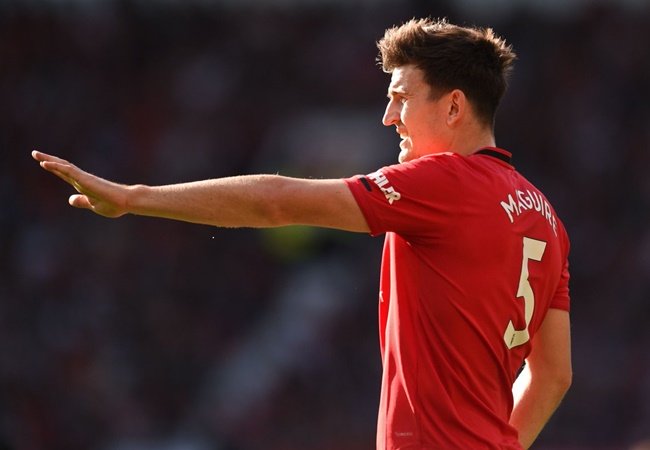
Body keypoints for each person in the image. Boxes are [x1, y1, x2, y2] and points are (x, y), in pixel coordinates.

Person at [32, 17, 572, 450]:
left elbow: (276, 201)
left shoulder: (445, 182)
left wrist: (134, 198)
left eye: (402, 97)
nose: (389, 117)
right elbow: (553, 376)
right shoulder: (546, 218)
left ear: (454, 105)